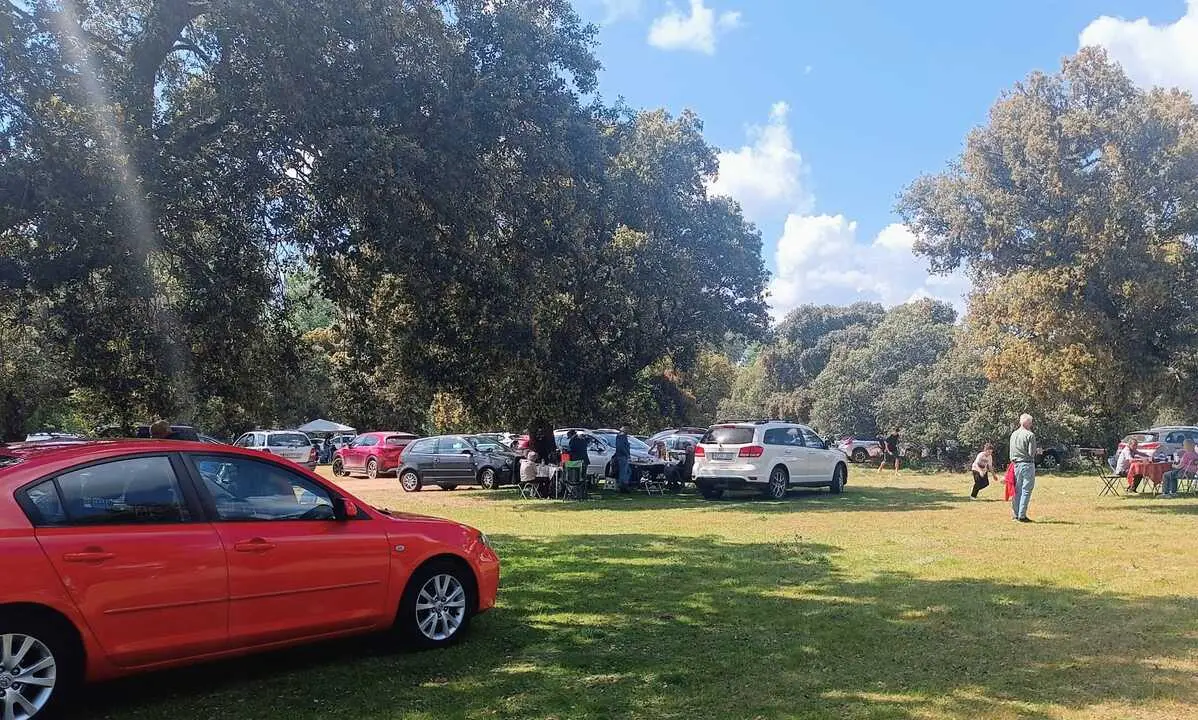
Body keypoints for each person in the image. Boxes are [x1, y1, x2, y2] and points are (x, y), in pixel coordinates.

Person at [1009, 414, 1037, 522]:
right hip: (1027, 464)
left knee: (1017, 490)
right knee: (1026, 490)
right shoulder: (1030, 435)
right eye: (1030, 422)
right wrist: (1037, 451)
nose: (1031, 424)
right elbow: (1031, 453)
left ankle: (1015, 514)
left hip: (1015, 464)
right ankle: (1022, 515)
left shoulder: (1014, 434)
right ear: (1027, 423)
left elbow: (1011, 452)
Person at [614, 427, 632, 492]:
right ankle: (622, 487)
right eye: (628, 429)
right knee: (623, 472)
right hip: (622, 456)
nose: (629, 430)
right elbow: (620, 447)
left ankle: (624, 485)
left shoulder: (623, 436)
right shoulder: (621, 436)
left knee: (628, 471)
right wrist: (626, 454)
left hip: (624, 456)